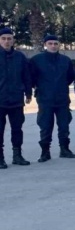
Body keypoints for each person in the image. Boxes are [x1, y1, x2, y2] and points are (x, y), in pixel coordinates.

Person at [30, 35, 75, 162]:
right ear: (45, 44)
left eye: (55, 43)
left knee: (64, 126)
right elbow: (31, 78)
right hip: (45, 99)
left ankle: (65, 149)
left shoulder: (65, 60)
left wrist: (60, 87)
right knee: (45, 126)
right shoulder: (36, 60)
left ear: (59, 45)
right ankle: (45, 152)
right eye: (50, 43)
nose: (53, 45)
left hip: (62, 99)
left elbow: (70, 77)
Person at [0, 28, 32, 168]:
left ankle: (17, 156)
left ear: (13, 40)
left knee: (17, 129)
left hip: (16, 100)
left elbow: (26, 76)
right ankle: (0, 158)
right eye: (4, 38)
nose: (7, 41)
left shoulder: (20, 57)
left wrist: (28, 93)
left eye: (9, 38)